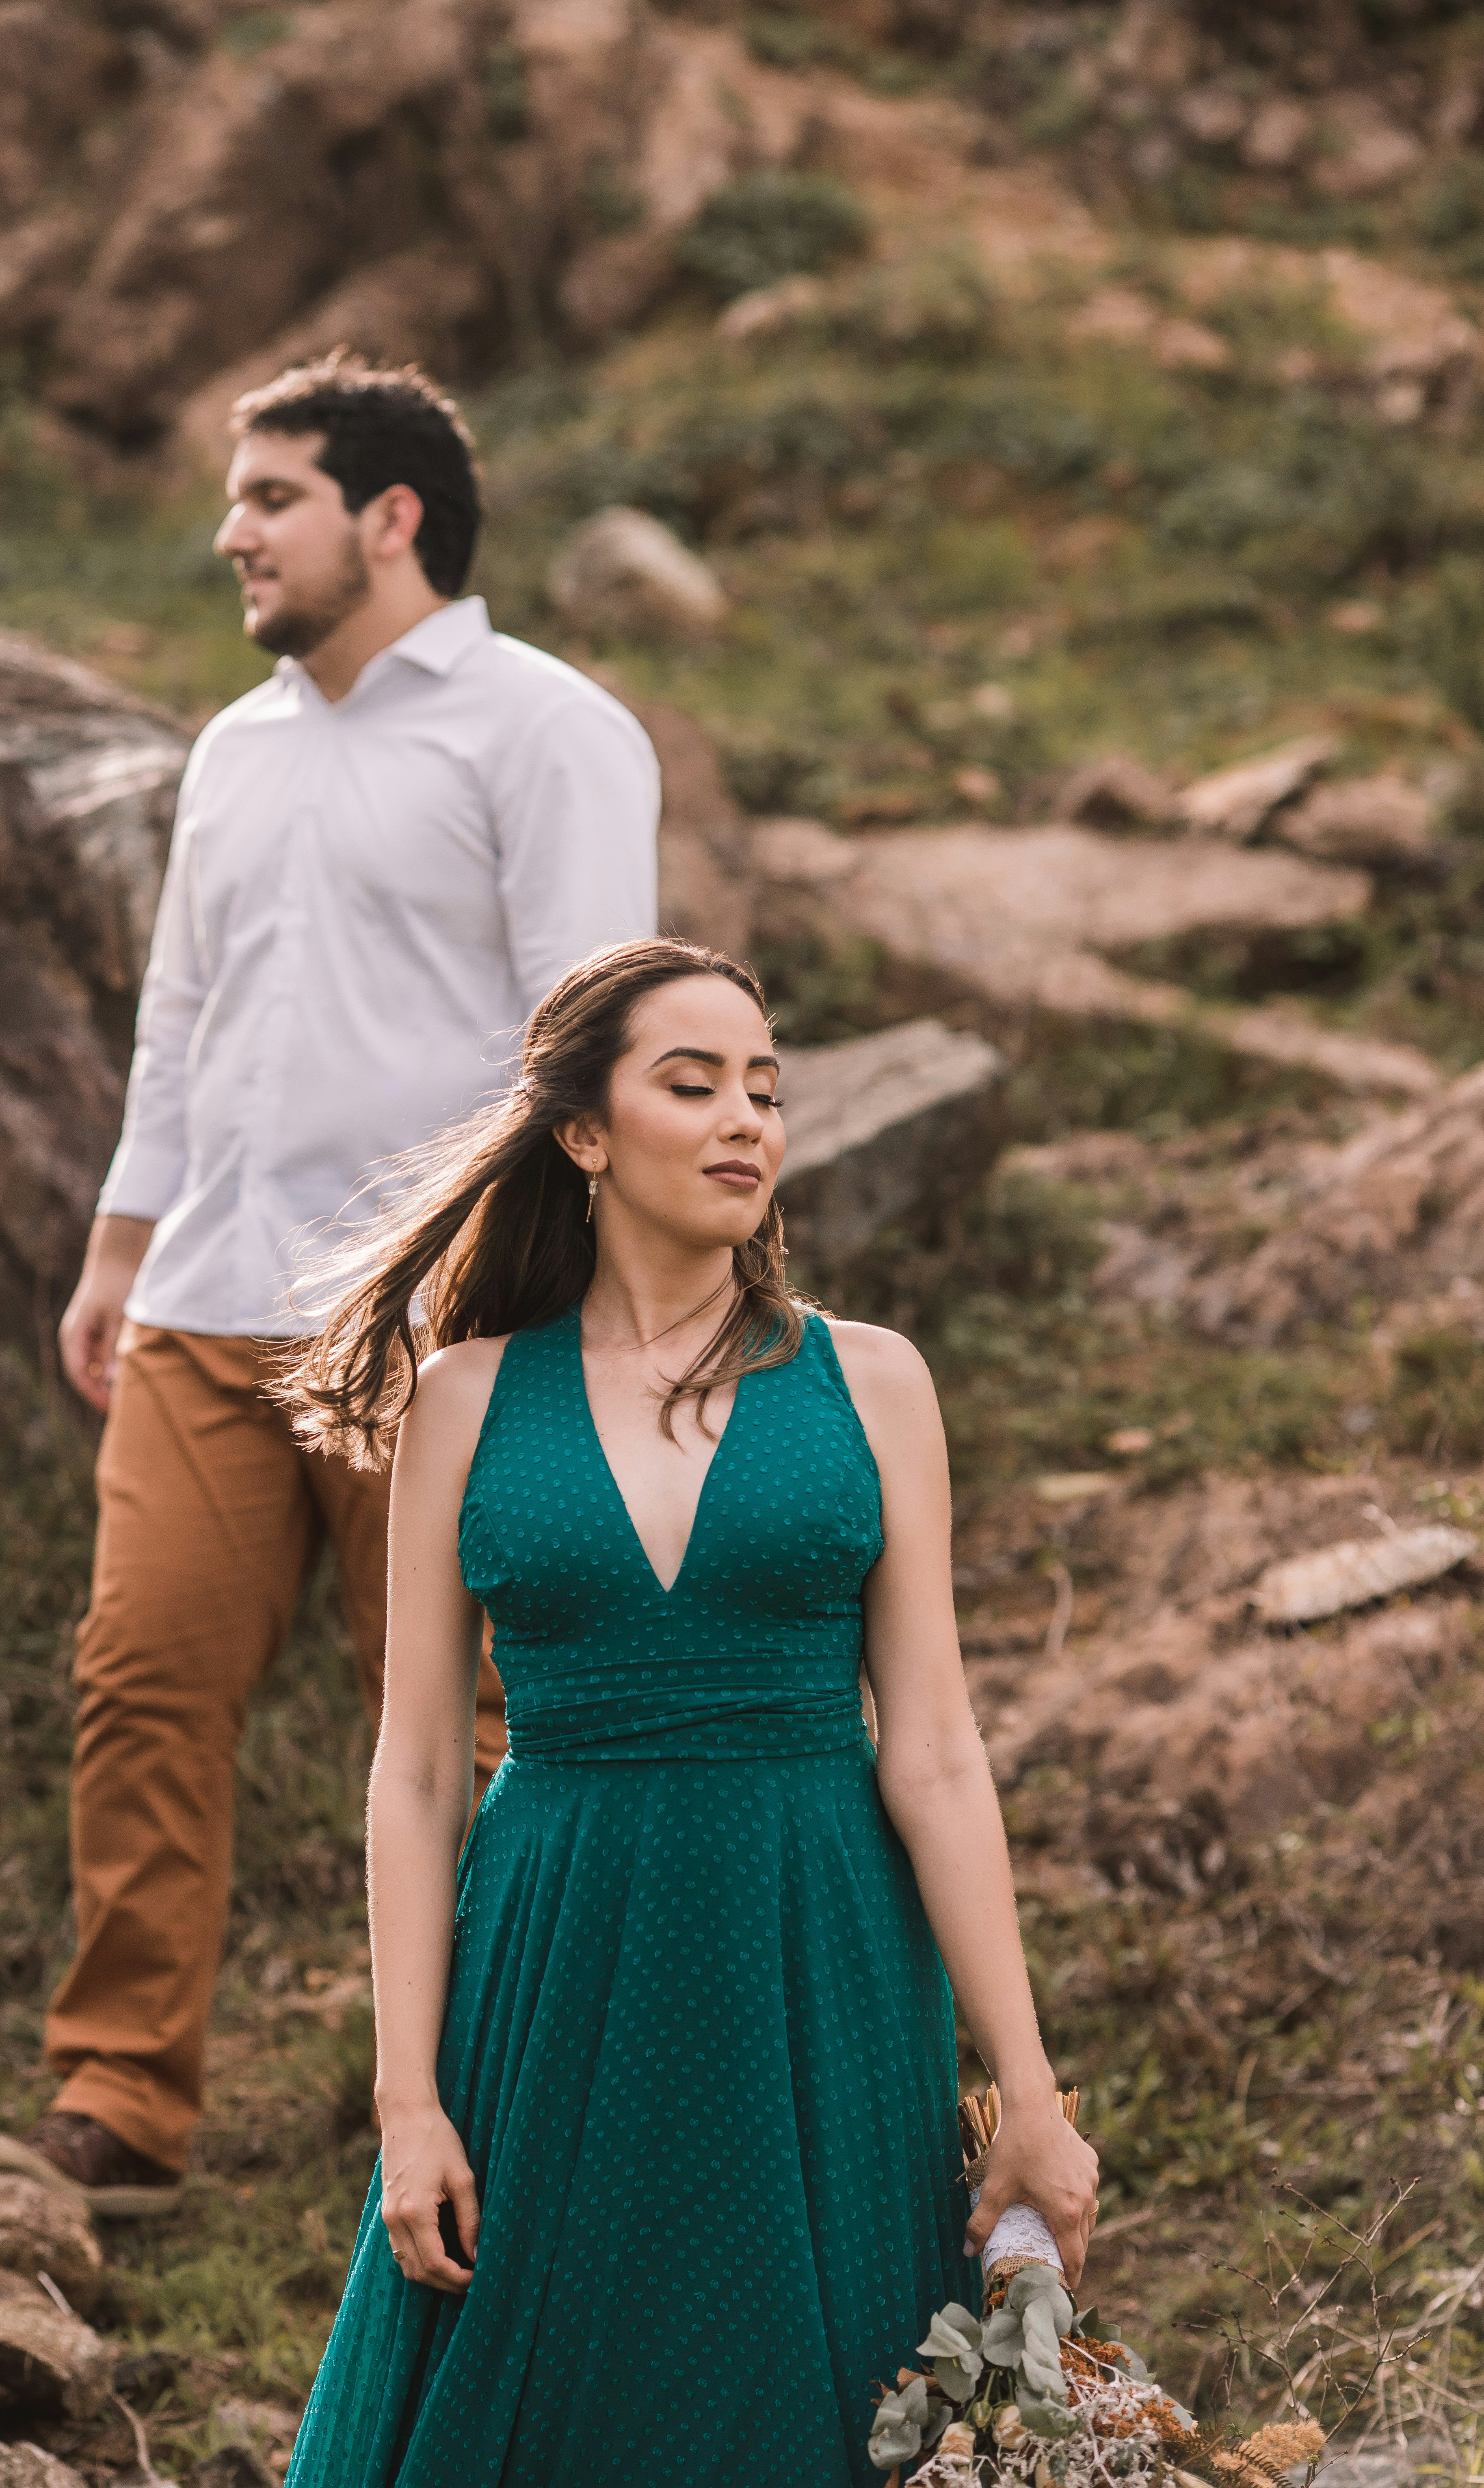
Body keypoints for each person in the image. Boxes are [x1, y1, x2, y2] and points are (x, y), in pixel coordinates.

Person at [275, 937, 1099, 2486]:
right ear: (584, 1132)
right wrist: (408, 2104)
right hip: (555, 1955)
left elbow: (932, 1751)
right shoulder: (464, 1396)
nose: (747, 1122)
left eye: (767, 1091)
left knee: (831, 2391)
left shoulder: (873, 1383)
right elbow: (417, 1775)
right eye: (694, 1083)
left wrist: (1031, 2094)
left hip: (824, 1957)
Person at [0, 357, 660, 2215]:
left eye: (267, 495)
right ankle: (119, 2101)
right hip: (206, 1306)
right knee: (139, 1681)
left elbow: (586, 1043)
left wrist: (560, 1316)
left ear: (389, 518)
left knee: (456, 1721)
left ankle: (475, 2091)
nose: (230, 534)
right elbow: (182, 1020)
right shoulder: (233, 748)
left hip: (439, 1328)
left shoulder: (546, 731)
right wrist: (120, 1248)